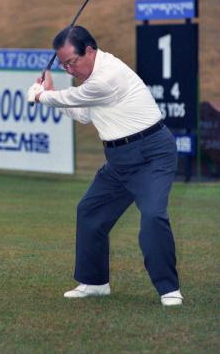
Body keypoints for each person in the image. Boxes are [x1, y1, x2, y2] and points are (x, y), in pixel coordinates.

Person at [27, 26, 183, 306]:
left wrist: (42, 96)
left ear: (89, 50)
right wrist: (50, 94)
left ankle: (169, 289)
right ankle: (95, 282)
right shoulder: (90, 80)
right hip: (119, 160)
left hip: (152, 154)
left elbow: (76, 97)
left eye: (71, 62)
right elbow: (84, 113)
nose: (69, 69)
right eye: (63, 65)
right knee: (90, 212)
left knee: (152, 216)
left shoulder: (108, 75)